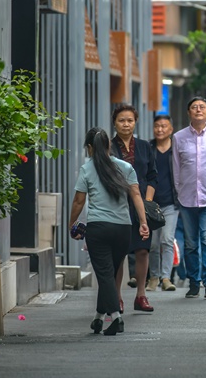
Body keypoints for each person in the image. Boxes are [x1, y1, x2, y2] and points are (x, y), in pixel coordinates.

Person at [69, 128, 149, 336]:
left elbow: (79, 201)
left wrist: (72, 223)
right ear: (108, 146)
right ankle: (98, 318)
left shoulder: (87, 168)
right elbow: (137, 196)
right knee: (109, 273)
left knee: (105, 274)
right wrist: (143, 222)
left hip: (99, 229)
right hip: (123, 229)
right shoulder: (125, 167)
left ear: (89, 148)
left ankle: (116, 318)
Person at [172, 97, 206, 299]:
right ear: (189, 112)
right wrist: (180, 191)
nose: (198, 110)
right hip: (186, 199)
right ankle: (194, 282)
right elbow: (176, 168)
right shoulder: (178, 137)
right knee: (190, 243)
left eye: (202, 107)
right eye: (194, 107)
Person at [110, 104, 157, 313]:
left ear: (135, 122)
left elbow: (152, 177)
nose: (126, 124)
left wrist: (146, 203)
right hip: (117, 204)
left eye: (130, 120)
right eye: (121, 120)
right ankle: (117, 297)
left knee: (142, 250)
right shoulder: (108, 147)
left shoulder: (145, 146)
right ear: (114, 123)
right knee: (118, 253)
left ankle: (141, 295)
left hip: (141, 206)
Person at [147, 115, 179, 292]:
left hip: (171, 203)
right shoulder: (147, 148)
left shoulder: (176, 150)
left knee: (167, 240)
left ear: (170, 129)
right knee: (153, 243)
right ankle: (153, 277)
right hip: (152, 204)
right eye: (157, 126)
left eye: (164, 126)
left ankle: (166, 278)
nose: (160, 129)